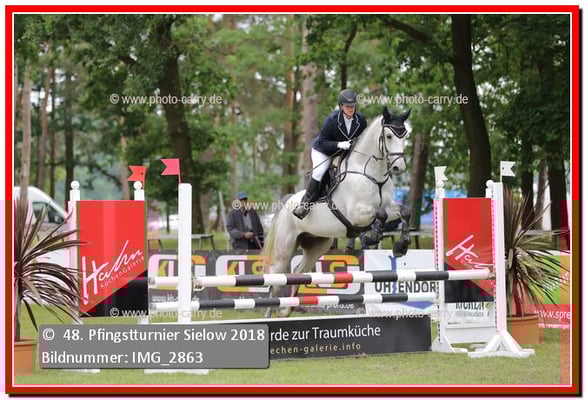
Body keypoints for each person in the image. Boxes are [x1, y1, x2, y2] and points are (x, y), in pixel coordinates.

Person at [292, 89, 368, 219]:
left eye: (353, 106)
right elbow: (322, 142)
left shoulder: (360, 120)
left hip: (345, 152)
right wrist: (339, 144)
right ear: (341, 106)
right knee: (320, 171)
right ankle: (304, 205)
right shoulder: (332, 120)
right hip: (324, 150)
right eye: (347, 106)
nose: (351, 108)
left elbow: (364, 138)